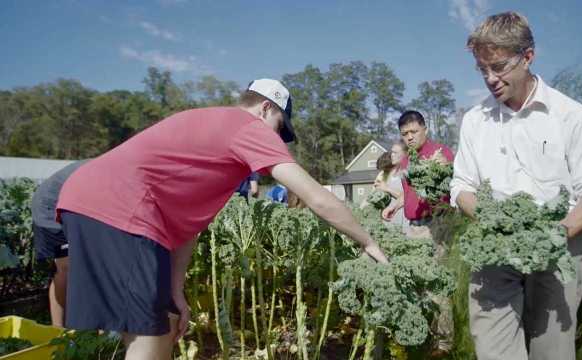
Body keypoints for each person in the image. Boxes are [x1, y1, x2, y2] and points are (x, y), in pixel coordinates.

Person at [56, 78, 388, 360]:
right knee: (149, 335)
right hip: (122, 209)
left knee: (160, 323)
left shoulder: (212, 127)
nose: (278, 140)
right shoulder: (249, 128)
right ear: (265, 109)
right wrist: (368, 241)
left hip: (99, 204)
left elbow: (189, 228)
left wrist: (176, 291)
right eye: (279, 129)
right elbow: (316, 196)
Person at [450, 12, 582, 360]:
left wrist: (555, 234)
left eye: (498, 67)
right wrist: (493, 221)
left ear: (527, 57)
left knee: (552, 351)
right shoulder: (475, 121)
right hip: (494, 250)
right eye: (482, 70)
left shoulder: (572, 116)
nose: (490, 79)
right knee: (493, 350)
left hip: (559, 247)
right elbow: (462, 185)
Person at [381, 110, 455, 354]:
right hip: (414, 228)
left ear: (425, 129)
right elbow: (407, 195)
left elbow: (448, 183)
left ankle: (443, 343)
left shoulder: (439, 154)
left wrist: (436, 170)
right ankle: (424, 335)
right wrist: (394, 205)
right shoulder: (405, 162)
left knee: (436, 284)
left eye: (414, 132)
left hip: (436, 224)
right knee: (417, 284)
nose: (410, 137)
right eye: (405, 134)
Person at [30, 160, 87, 327]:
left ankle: (97, 333)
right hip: (51, 207)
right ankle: (58, 331)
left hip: (78, 204)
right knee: (66, 267)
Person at [373, 143, 407, 229]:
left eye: (395, 153)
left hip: (402, 222)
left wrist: (387, 188)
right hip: (389, 221)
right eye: (392, 152)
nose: (392, 155)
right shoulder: (387, 175)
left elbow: (408, 196)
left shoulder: (406, 173)